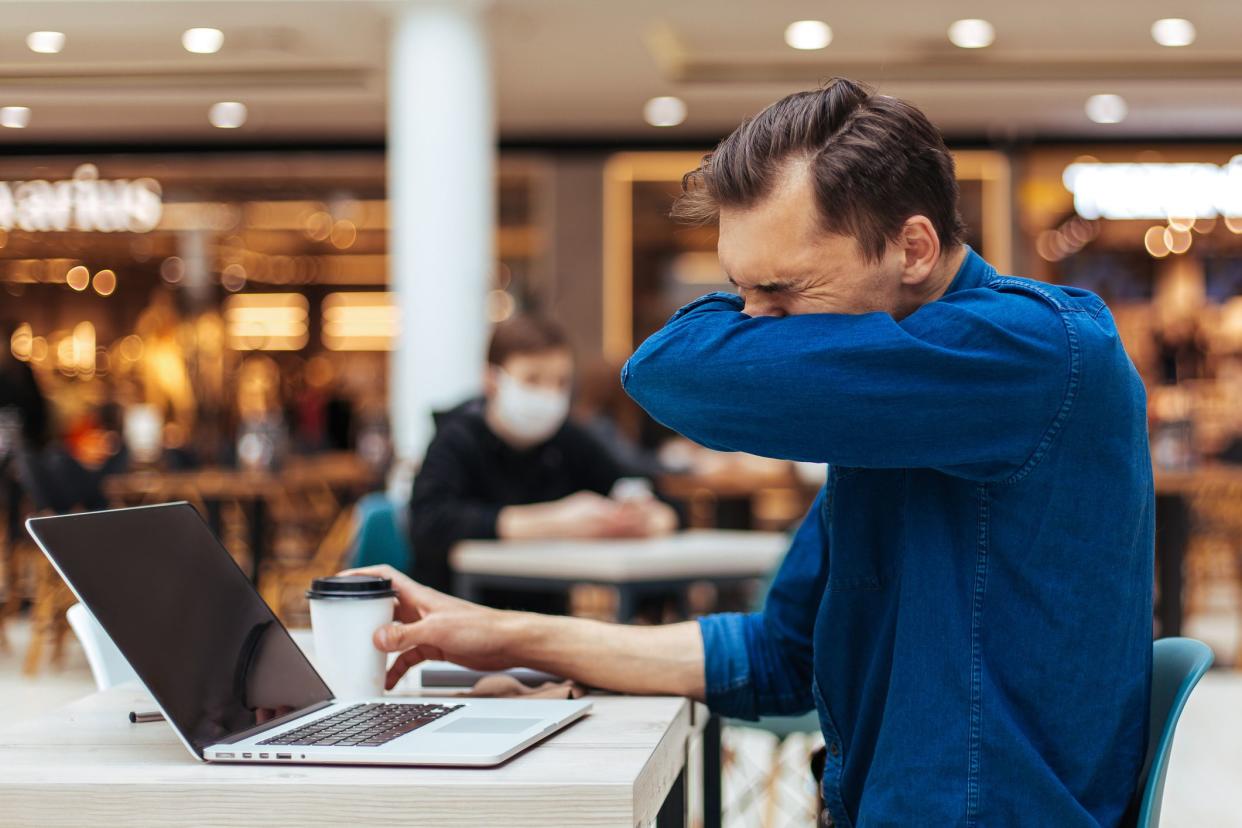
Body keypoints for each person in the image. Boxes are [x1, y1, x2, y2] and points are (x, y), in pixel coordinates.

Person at [349, 78, 1152, 826]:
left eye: (782, 292)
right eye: (741, 293)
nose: (754, 325)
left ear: (912, 248)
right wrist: (512, 635)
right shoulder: (886, 402)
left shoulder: (1039, 349)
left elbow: (670, 370)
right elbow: (777, 654)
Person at [407, 314, 677, 601]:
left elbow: (645, 492)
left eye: (560, 382)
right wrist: (553, 522)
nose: (549, 395)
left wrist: (645, 516)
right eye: (532, 379)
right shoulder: (458, 438)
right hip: (458, 608)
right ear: (491, 380)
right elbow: (429, 523)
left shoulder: (568, 440)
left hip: (546, 619)